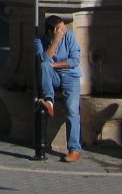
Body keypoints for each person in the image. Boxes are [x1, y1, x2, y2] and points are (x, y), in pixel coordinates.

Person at [34, 14, 82, 162]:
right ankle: (49, 100)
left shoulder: (70, 37)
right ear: (52, 31)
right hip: (52, 76)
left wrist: (55, 65)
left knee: (72, 110)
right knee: (43, 65)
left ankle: (74, 149)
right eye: (60, 29)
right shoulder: (39, 41)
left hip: (70, 76)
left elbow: (74, 61)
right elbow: (44, 60)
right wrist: (55, 41)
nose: (64, 30)